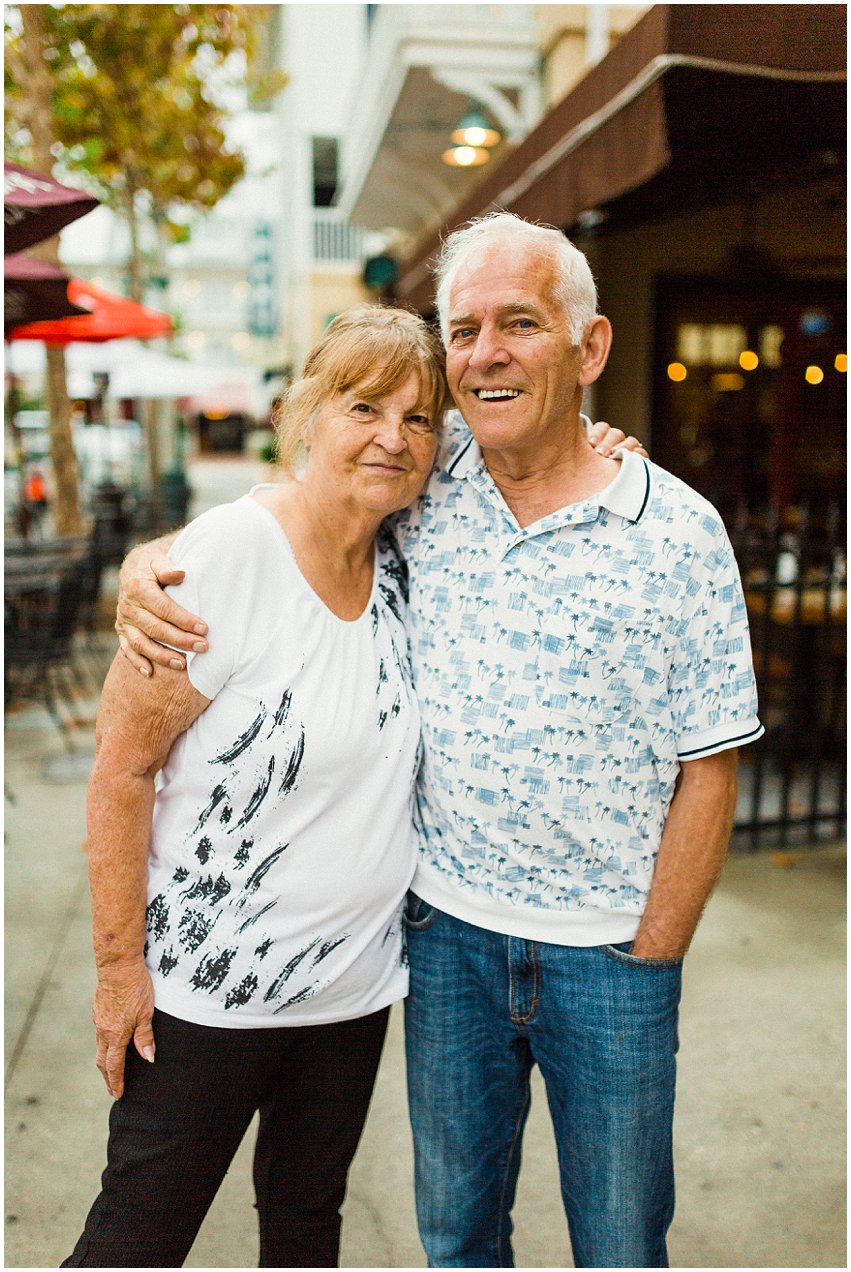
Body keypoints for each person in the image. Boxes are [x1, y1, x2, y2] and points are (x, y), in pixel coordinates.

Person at [116, 215, 760, 1269]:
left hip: (609, 956)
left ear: (588, 348)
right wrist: (159, 559)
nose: (483, 354)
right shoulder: (428, 473)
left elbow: (710, 761)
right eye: (463, 330)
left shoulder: (677, 532)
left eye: (519, 324)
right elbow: (299, 505)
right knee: (456, 1240)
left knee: (618, 1245)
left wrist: (653, 952)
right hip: (445, 941)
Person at [63, 306, 446, 1269]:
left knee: (306, 1232)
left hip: (350, 994)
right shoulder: (229, 554)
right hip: (211, 1001)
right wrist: (118, 971)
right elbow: (122, 770)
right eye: (366, 406)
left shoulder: (404, 555)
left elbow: (541, 462)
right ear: (307, 412)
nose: (393, 437)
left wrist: (612, 441)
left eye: (419, 417)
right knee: (136, 1243)